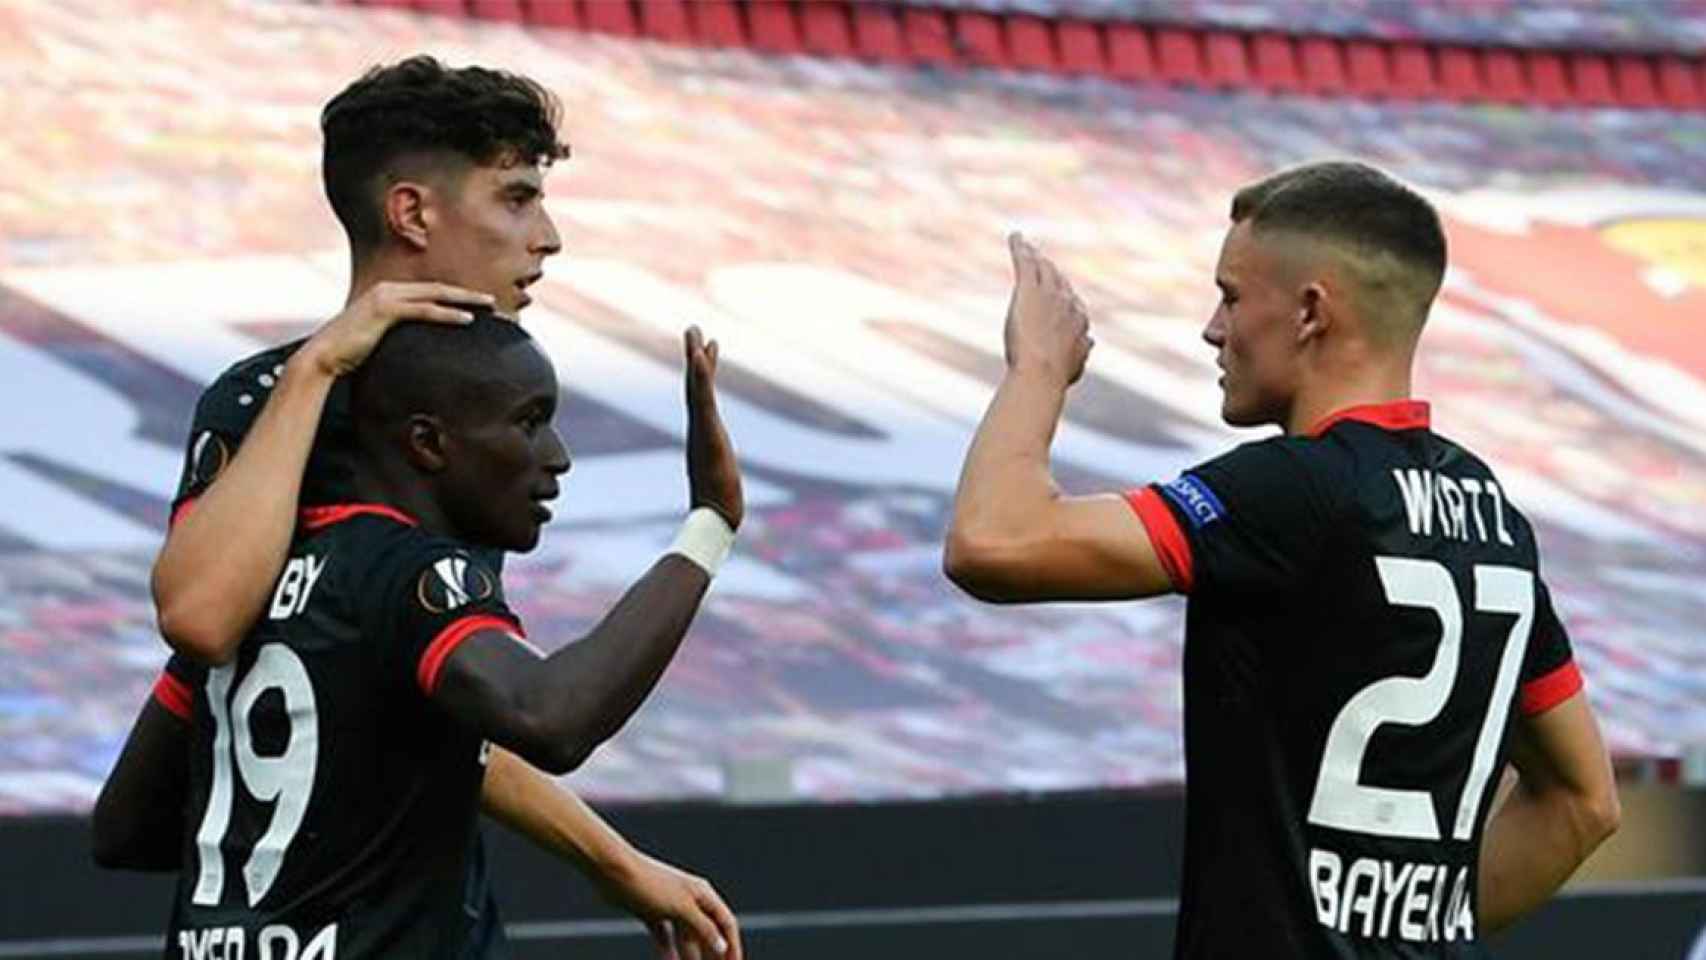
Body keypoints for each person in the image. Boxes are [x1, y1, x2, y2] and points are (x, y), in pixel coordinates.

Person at [92, 56, 741, 959]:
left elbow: (442, 702)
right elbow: (200, 619)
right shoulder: (265, 400)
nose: (546, 236)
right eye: (517, 199)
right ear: (412, 212)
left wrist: (614, 859)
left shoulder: (474, 401)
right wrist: (320, 366)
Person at [944, 161, 1620, 957]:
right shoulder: (1492, 516)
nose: (1212, 328)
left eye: (1231, 296)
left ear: (1309, 312)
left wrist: (1039, 369)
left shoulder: (1296, 489)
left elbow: (994, 541)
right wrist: (1412, 931)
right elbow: (1585, 802)